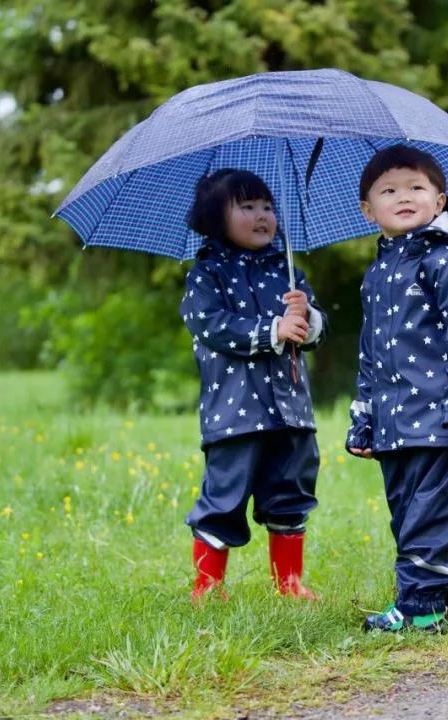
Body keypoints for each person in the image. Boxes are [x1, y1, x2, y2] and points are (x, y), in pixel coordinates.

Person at [346, 145, 448, 631]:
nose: (403, 196)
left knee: (430, 517)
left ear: (440, 199)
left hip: (445, 421)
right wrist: (365, 416)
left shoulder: (447, 263)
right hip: (396, 425)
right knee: (411, 519)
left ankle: (421, 613)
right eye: (388, 190)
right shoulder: (376, 277)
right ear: (368, 210)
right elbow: (369, 354)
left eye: (416, 188)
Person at [180, 169, 327, 601]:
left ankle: (290, 582)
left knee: (290, 492)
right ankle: (207, 587)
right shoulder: (206, 275)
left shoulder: (289, 273)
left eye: (267, 207)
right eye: (247, 207)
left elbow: (314, 332)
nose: (262, 216)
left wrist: (307, 317)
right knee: (224, 496)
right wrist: (273, 330)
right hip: (235, 413)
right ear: (214, 217)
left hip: (291, 410)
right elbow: (211, 325)